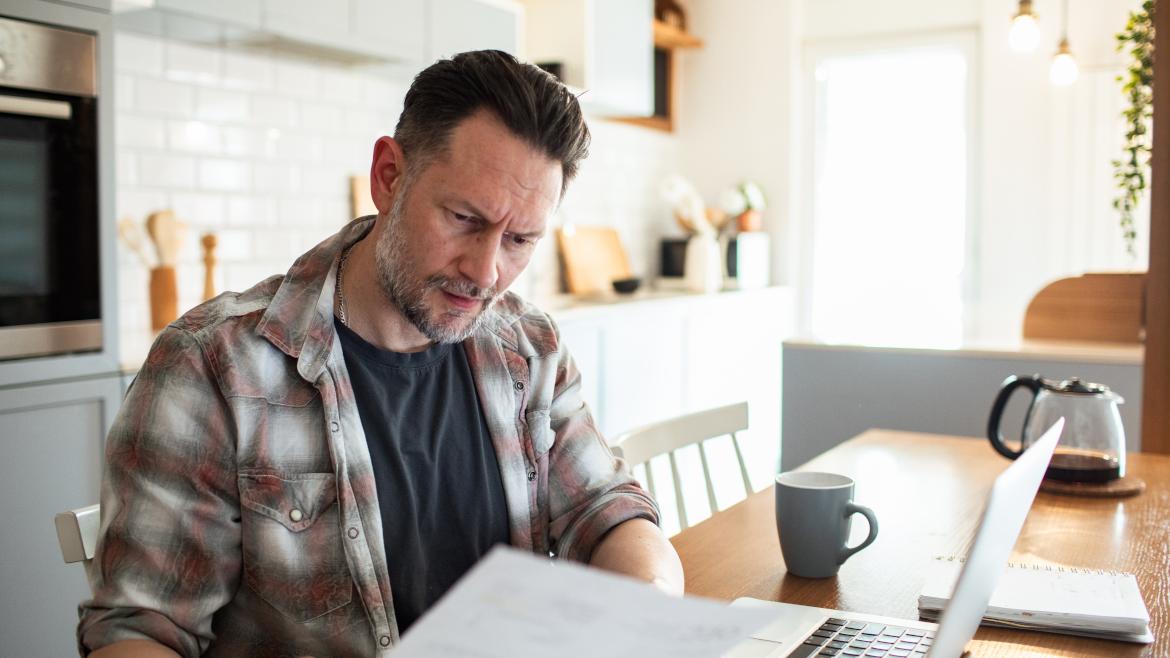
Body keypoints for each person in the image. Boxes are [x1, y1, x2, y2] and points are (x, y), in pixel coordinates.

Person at [78, 50, 683, 658]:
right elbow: (139, 632)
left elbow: (604, 509)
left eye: (520, 239)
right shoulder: (211, 368)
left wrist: (650, 607)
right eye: (464, 218)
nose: (486, 270)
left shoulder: (530, 348)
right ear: (389, 176)